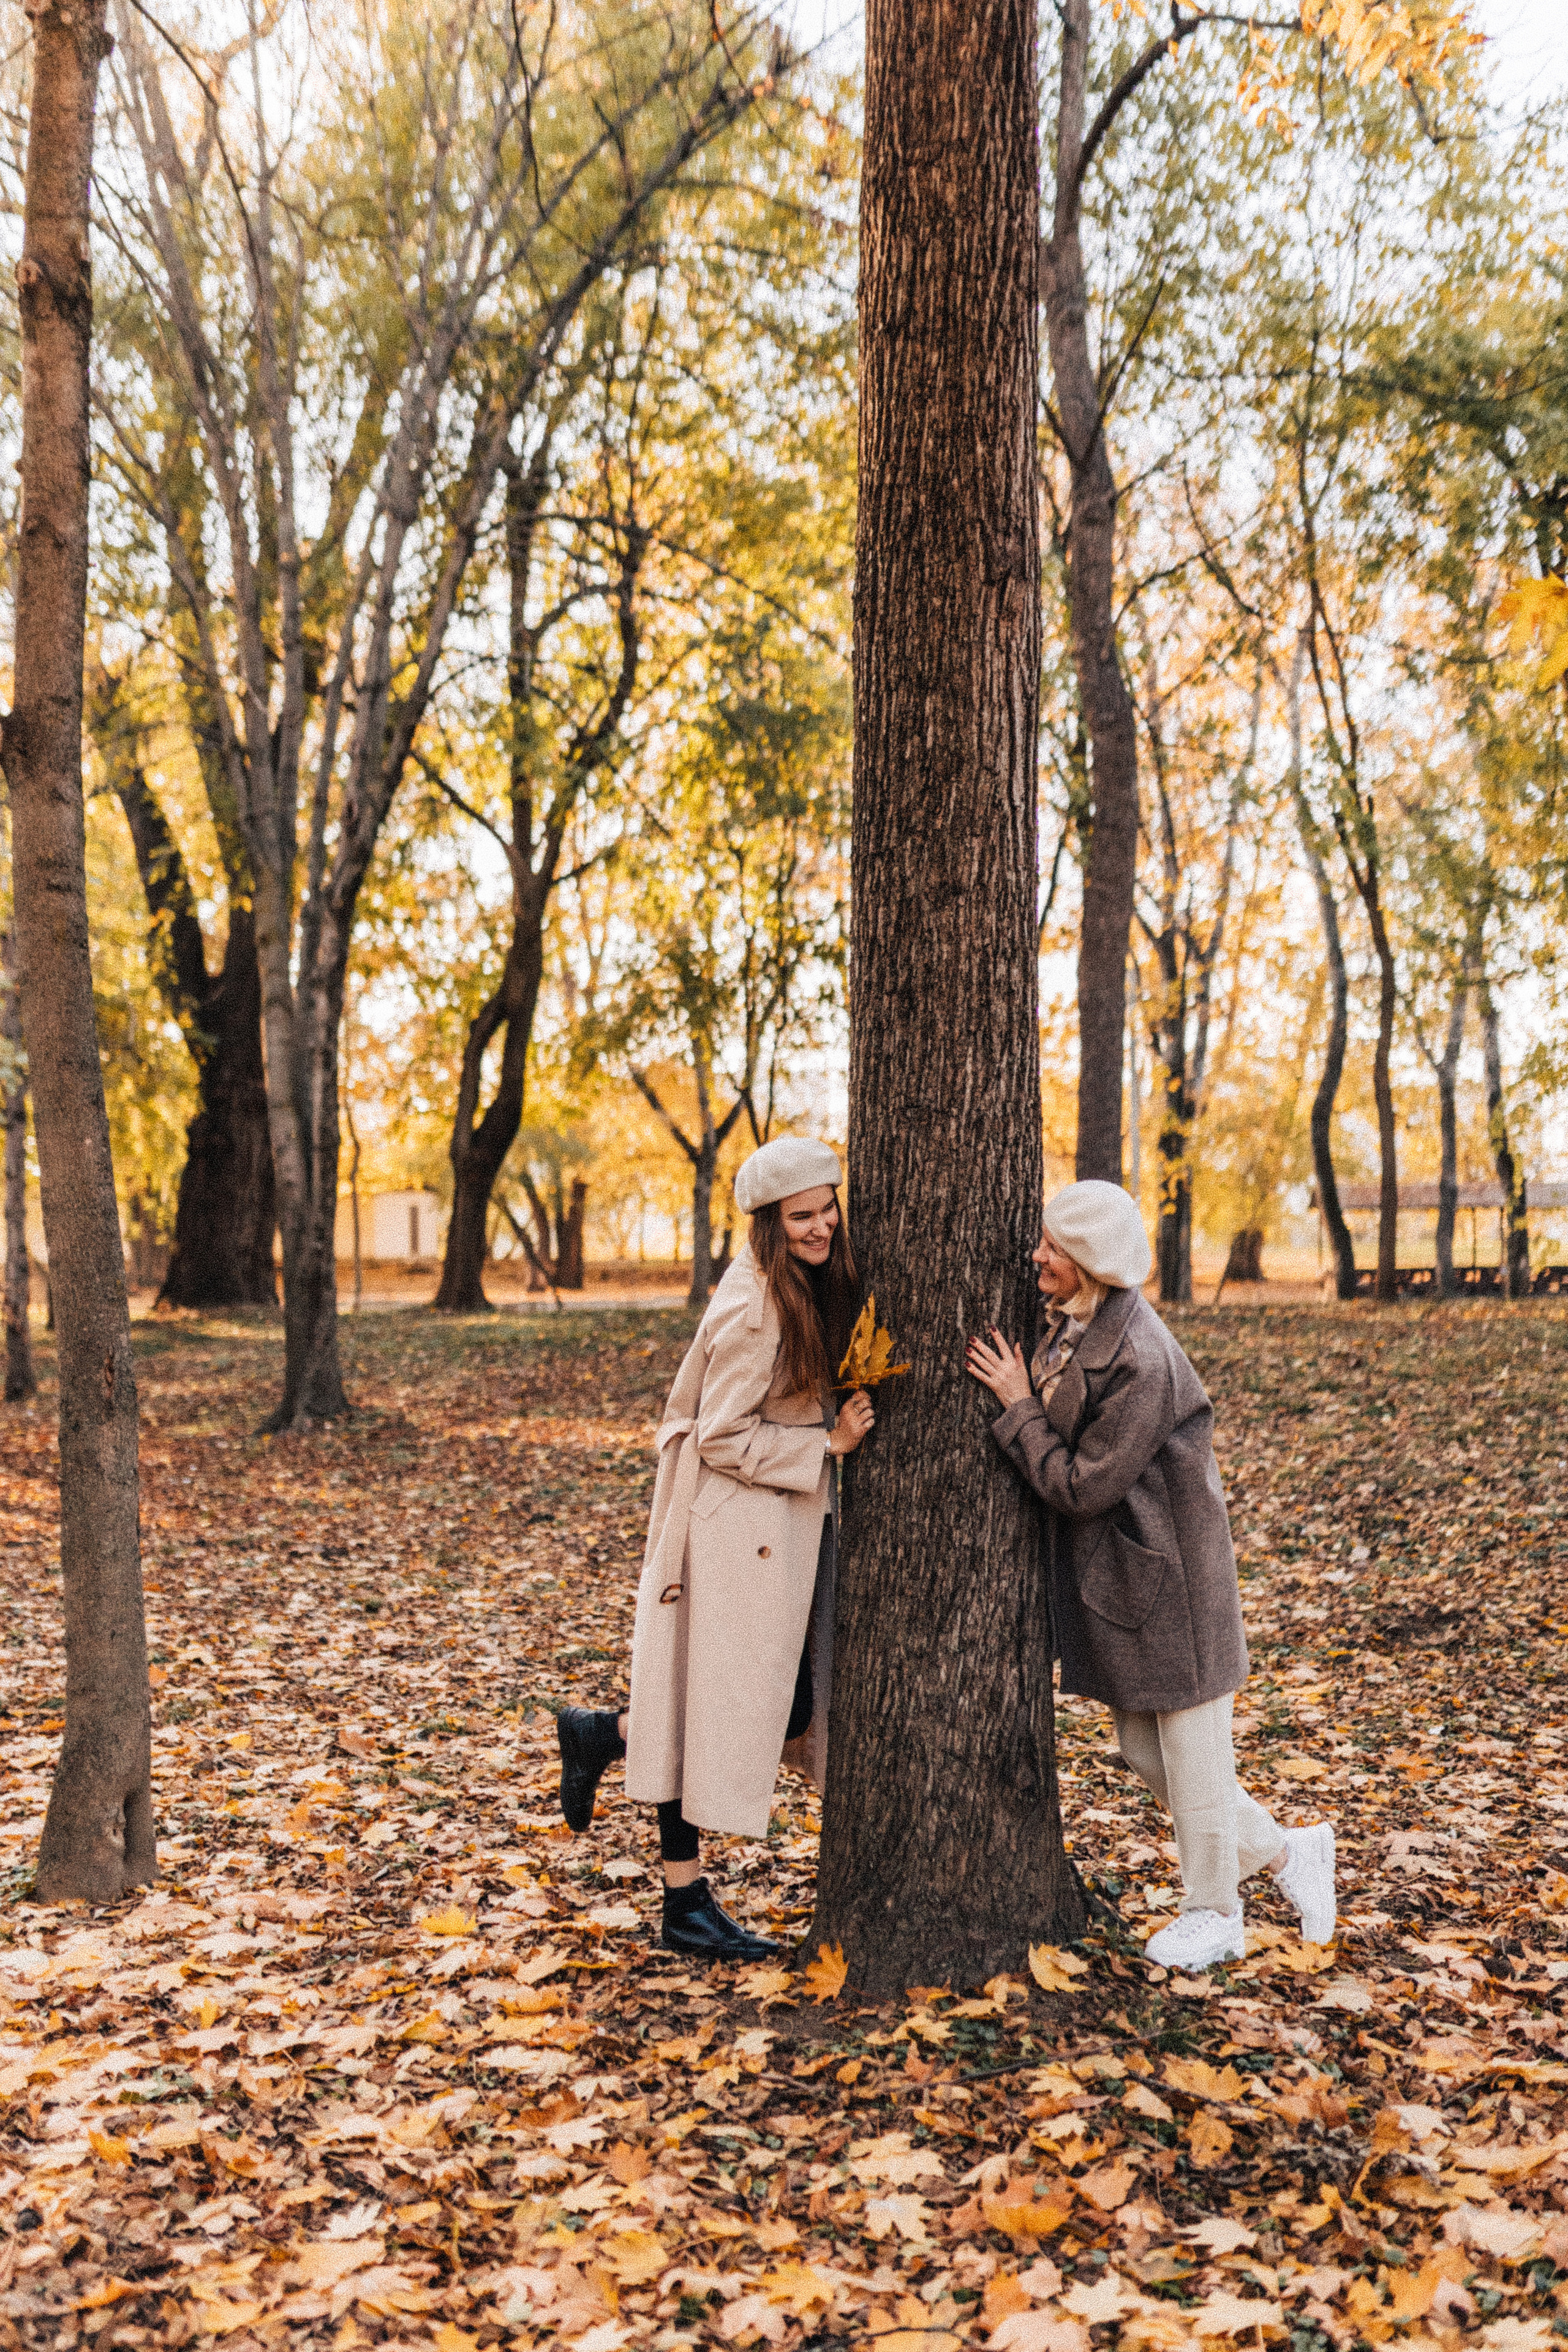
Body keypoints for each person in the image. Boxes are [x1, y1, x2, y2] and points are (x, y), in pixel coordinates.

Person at [966, 1180, 1335, 1972]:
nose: (1036, 1256)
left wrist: (1016, 1405)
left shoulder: (1141, 1357)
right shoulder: (1077, 1323)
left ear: (1091, 1261)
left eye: (1054, 1248)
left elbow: (1082, 1485)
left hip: (1175, 1584)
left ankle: (1217, 1914)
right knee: (1142, 1749)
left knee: (1196, 1765)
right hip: (1132, 1581)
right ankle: (1286, 1854)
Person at [556, 1136, 875, 1962]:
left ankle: (618, 1762)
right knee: (754, 1706)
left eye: (826, 1208)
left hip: (760, 1529)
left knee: (732, 1705)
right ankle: (681, 1894)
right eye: (801, 1216)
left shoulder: (792, 1285)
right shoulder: (756, 1309)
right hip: (731, 1529)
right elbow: (723, 1434)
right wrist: (827, 1446)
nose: (821, 1227)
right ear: (771, 1224)